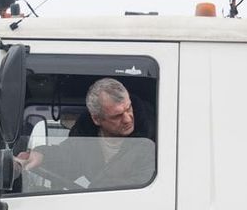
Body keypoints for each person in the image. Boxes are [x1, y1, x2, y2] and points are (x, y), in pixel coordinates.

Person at [17, 78, 155, 191]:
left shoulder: (155, 142)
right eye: (117, 116)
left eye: (128, 108)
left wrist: (95, 188)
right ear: (96, 119)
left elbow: (140, 186)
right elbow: (67, 157)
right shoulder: (85, 137)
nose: (128, 119)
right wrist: (41, 156)